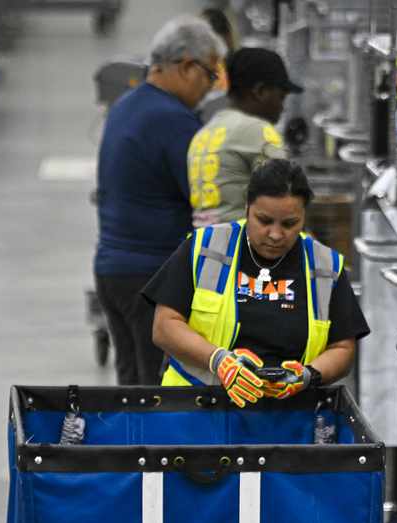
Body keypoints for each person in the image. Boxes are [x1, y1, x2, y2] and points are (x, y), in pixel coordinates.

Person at [146, 159, 370, 406]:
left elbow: (342, 348)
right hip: (197, 414)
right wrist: (218, 360)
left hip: (285, 422)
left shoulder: (325, 266)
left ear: (304, 216)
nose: (275, 234)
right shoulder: (205, 248)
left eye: (289, 224)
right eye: (264, 221)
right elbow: (165, 326)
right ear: (247, 209)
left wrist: (307, 375)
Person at [93, 16, 225, 386]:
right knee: (159, 396)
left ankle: (129, 447)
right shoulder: (174, 122)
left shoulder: (125, 106)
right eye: (209, 75)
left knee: (131, 392)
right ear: (186, 66)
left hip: (112, 272)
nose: (209, 87)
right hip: (151, 279)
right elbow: (204, 199)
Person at [187, 47, 301, 228]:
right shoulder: (260, 131)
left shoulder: (204, 134)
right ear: (260, 91)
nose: (282, 107)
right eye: (280, 97)